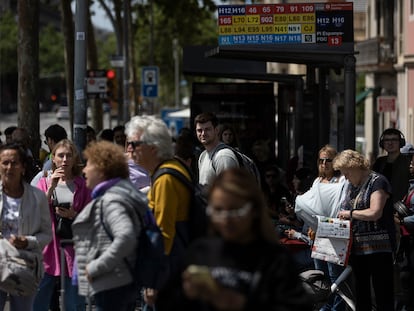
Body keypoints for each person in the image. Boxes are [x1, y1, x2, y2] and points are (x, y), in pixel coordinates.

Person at [157, 168, 313, 311]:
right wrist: (185, 293)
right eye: (218, 210)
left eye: (235, 210)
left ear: (253, 210)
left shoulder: (274, 259)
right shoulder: (200, 252)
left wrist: (240, 303)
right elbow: (166, 302)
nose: (226, 219)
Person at [72, 141, 148, 311]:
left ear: (101, 169)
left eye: (89, 165)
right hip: (116, 283)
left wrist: (95, 267)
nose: (84, 170)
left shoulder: (111, 200)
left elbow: (126, 237)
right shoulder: (117, 194)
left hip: (111, 285)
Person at [124, 115, 193, 305]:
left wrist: (154, 281)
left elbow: (164, 232)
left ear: (152, 148)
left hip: (170, 273)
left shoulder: (165, 179)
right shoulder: (171, 167)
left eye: (134, 144)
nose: (129, 149)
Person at [33, 139, 91, 311]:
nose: (65, 159)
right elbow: (34, 212)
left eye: (69, 155)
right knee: (39, 300)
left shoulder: (83, 185)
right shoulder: (43, 182)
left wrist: (74, 215)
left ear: (74, 159)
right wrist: (51, 188)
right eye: (61, 156)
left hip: (74, 249)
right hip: (47, 250)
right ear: (53, 159)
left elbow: (92, 217)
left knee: (74, 303)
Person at [336, 149, 396, 311]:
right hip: (357, 251)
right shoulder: (350, 185)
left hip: (379, 250)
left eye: (346, 173)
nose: (345, 177)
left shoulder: (378, 181)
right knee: (362, 297)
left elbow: (375, 212)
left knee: (383, 295)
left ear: (355, 167)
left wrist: (350, 214)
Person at [0, 143, 52, 311]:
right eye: (4, 163)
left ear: (23, 167)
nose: (9, 167)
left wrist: (27, 241)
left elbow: (47, 234)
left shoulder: (37, 197)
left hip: (25, 266)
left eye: (14, 163)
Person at [195, 112, 239, 186]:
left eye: (207, 129)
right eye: (199, 130)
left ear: (216, 130)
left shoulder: (224, 156)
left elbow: (229, 192)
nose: (203, 133)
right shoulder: (203, 155)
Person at [373, 128, 410, 203]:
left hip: (401, 205)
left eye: (394, 140)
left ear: (401, 142)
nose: (390, 143)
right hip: (381, 204)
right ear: (382, 143)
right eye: (387, 140)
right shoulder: (379, 162)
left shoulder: (408, 162)